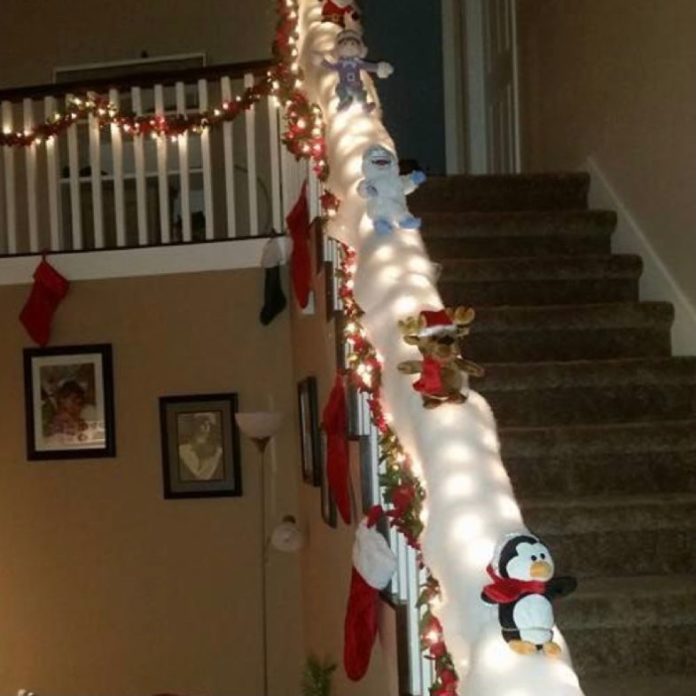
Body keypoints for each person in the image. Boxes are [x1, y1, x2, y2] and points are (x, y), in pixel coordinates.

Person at [178, 413, 223, 481]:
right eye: (202, 423)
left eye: (209, 424)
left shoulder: (218, 451)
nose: (206, 426)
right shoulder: (182, 449)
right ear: (195, 425)